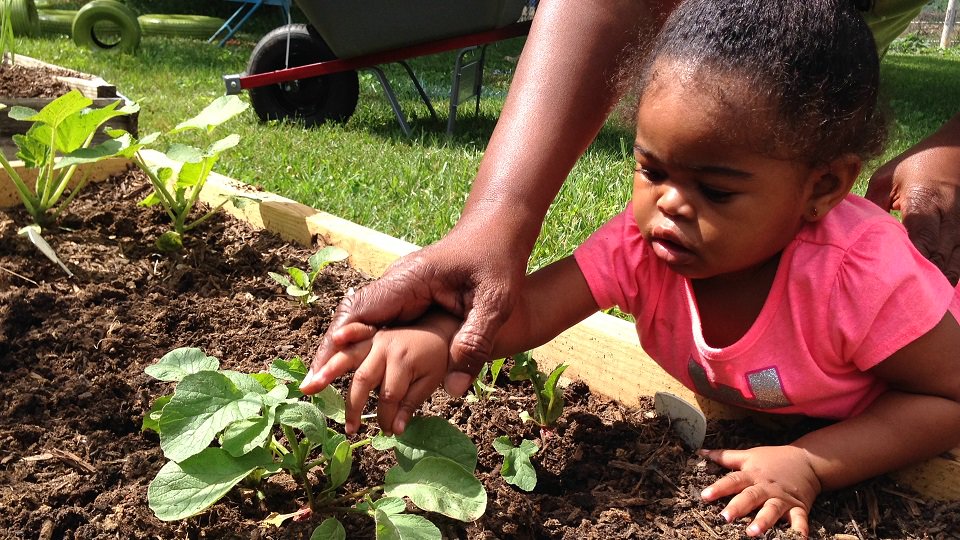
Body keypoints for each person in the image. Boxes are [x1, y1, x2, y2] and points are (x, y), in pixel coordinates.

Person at [303, 0, 960, 536]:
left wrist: (813, 463)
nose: (669, 205)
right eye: (652, 170)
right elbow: (528, 311)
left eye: (716, 190)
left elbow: (949, 396)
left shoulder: (859, 279)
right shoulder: (643, 248)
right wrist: (437, 336)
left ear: (823, 188)